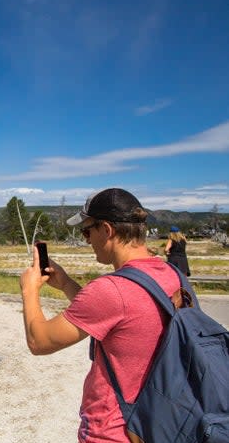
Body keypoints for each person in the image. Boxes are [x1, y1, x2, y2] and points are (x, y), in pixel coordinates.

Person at [19, 188, 180, 442]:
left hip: (113, 430)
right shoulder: (172, 275)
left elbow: (39, 342)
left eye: (87, 231)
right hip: (159, 422)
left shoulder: (111, 290)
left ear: (106, 230)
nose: (86, 240)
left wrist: (29, 291)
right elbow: (119, 317)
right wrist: (66, 284)